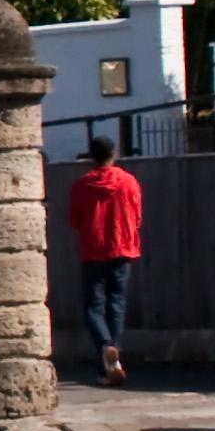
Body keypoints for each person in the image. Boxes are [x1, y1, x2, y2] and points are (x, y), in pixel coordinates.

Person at [66, 137, 142, 387]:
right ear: (114, 154)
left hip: (93, 249)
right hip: (122, 247)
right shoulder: (129, 182)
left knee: (93, 306)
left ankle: (105, 346)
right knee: (116, 304)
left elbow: (75, 220)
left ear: (91, 156)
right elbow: (137, 215)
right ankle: (111, 359)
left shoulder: (82, 184)